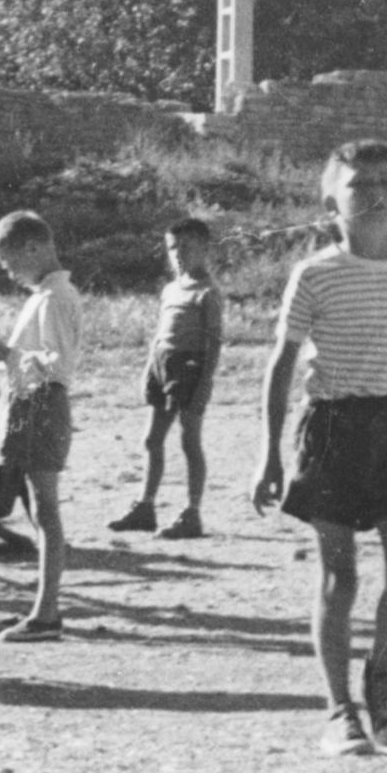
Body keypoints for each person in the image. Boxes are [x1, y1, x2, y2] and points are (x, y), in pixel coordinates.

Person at [250, 141, 387, 759]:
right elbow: (282, 361)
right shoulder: (314, 274)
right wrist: (269, 453)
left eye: (384, 182)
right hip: (333, 428)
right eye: (357, 185)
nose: (372, 194)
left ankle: (380, 673)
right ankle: (339, 711)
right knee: (340, 577)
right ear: (330, 201)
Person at [0, 211, 82, 642]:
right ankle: (43, 607)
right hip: (31, 404)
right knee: (38, 509)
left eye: (9, 262)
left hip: (42, 405)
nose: (8, 272)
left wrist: (6, 354)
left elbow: (57, 364)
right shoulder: (45, 295)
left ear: (34, 248)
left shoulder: (56, 298)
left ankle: (47, 613)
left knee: (45, 510)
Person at [111, 218, 225, 540]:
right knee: (152, 440)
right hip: (162, 366)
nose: (178, 254)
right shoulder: (171, 289)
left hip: (189, 369)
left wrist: (203, 385)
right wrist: (150, 368)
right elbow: (161, 333)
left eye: (186, 247)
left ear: (205, 248)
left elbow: (213, 343)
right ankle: (145, 507)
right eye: (173, 248)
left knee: (190, 441)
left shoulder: (208, 293)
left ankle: (192, 513)